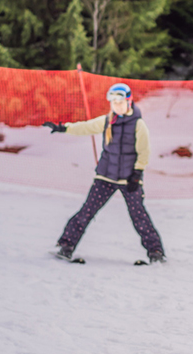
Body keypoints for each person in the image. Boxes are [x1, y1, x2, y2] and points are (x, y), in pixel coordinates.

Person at [43, 83, 166, 264]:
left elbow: (144, 151)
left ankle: (155, 252)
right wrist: (65, 128)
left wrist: (137, 173)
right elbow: (86, 127)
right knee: (87, 211)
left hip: (129, 178)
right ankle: (66, 246)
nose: (117, 105)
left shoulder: (139, 125)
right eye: (113, 102)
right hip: (105, 177)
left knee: (138, 215)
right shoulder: (108, 120)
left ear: (129, 102)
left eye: (120, 102)